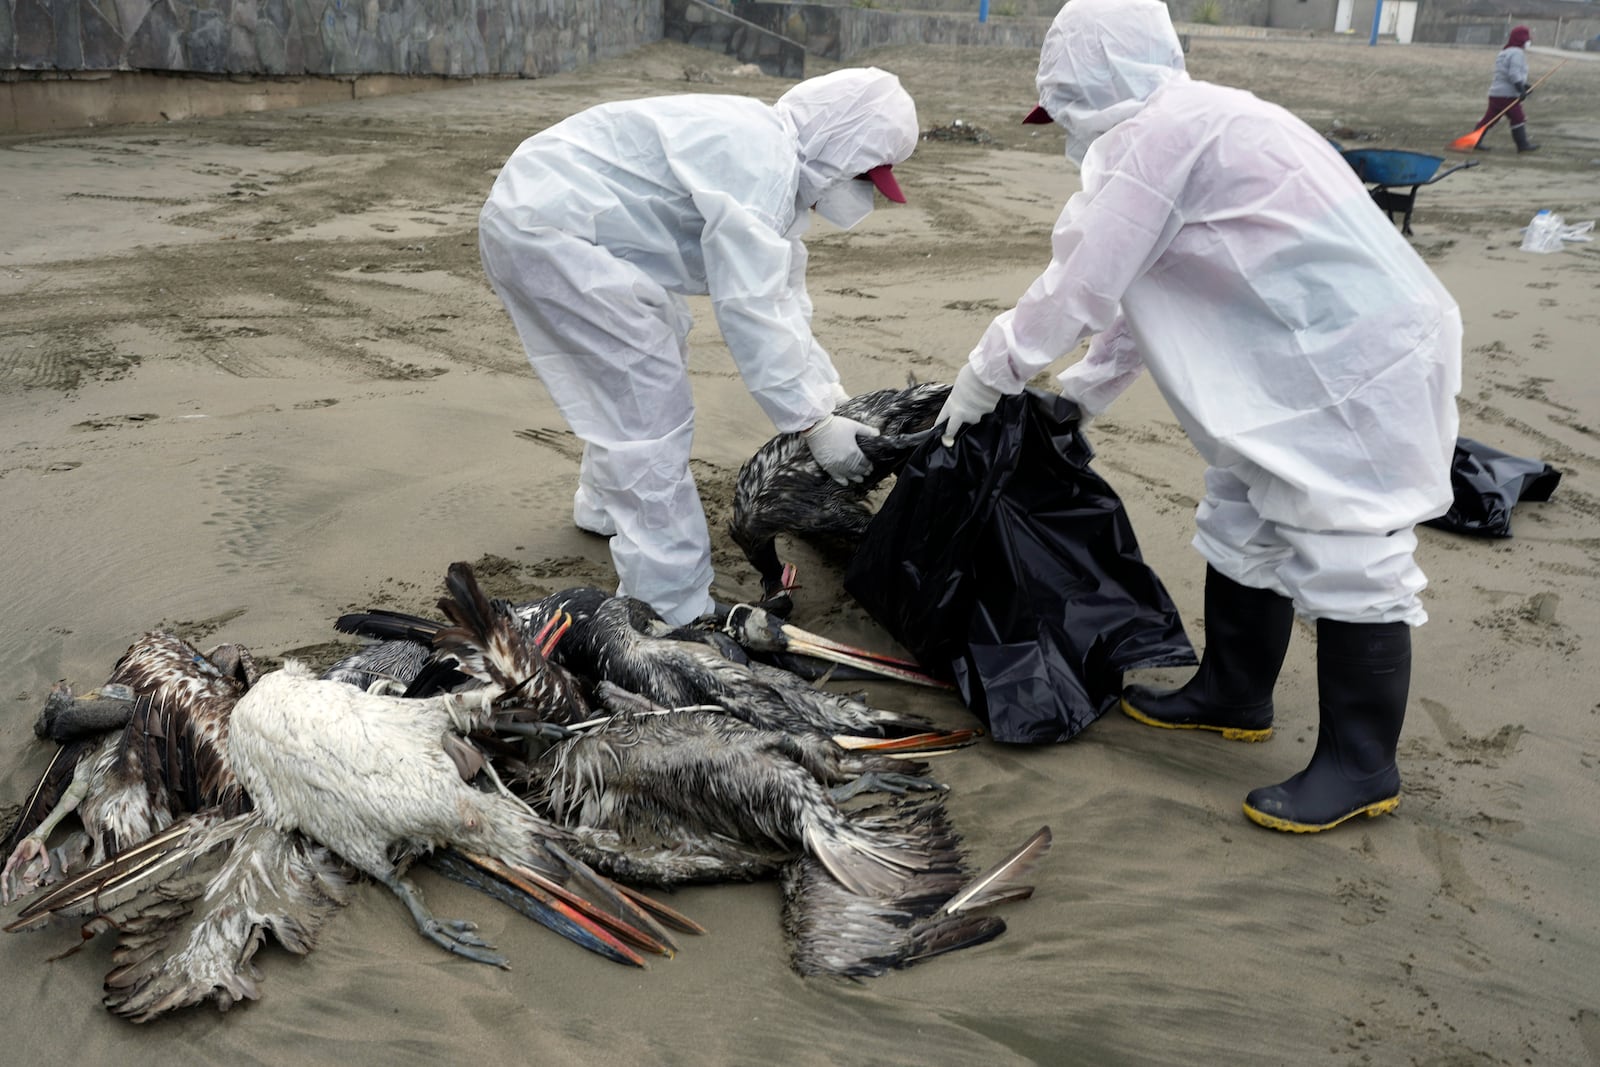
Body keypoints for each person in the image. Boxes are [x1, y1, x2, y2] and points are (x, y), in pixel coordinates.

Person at [935, 0, 1462, 833]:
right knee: (1243, 508)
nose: (1065, 122)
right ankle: (1235, 691)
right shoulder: (1192, 123)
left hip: (1353, 360)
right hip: (1295, 353)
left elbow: (1080, 287)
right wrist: (1083, 394)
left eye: (1064, 102)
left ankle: (1363, 765)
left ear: (1090, 83)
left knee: (1349, 541)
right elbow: (1144, 291)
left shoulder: (1161, 139)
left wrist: (982, 378)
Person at [479, 68, 919, 626]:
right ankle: (668, 600)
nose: (863, 195)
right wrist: (813, 422)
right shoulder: (763, 164)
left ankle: (603, 505)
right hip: (552, 230)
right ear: (839, 146)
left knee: (649, 346)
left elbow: (785, 297)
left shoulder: (771, 157)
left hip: (551, 214)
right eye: (864, 176)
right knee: (647, 407)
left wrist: (832, 403)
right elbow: (752, 311)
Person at [1474, 25, 1539, 152]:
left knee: (1489, 119)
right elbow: (1513, 74)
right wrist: (1520, 89)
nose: (1528, 41)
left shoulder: (1504, 52)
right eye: (1527, 39)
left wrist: (1524, 86)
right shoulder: (1517, 53)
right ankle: (1522, 145)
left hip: (1496, 93)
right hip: (1507, 95)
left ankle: (1475, 141)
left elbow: (1505, 73)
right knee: (1518, 118)